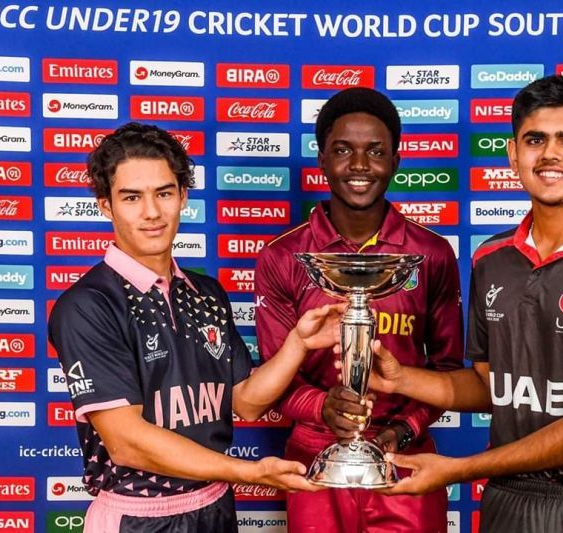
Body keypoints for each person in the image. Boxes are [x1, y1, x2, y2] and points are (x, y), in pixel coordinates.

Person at [368, 75, 563, 533]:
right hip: (509, 500)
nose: (550, 154)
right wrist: (401, 378)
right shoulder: (491, 259)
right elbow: (494, 388)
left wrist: (460, 469)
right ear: (514, 156)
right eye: (535, 140)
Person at [49, 122, 343, 533]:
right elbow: (126, 441)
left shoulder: (206, 293)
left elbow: (246, 402)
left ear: (183, 197)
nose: (152, 212)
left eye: (164, 193)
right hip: (139, 518)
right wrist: (249, 472)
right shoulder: (87, 305)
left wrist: (298, 343)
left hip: (216, 507)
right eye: (132, 197)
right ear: (105, 205)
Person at [254, 87, 464, 533]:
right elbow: (273, 377)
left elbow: (448, 371)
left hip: (404, 459)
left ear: (396, 160)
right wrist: (320, 407)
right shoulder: (282, 256)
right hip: (313, 460)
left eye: (375, 151)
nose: (360, 166)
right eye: (343, 151)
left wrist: (404, 430)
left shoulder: (432, 254)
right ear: (323, 159)